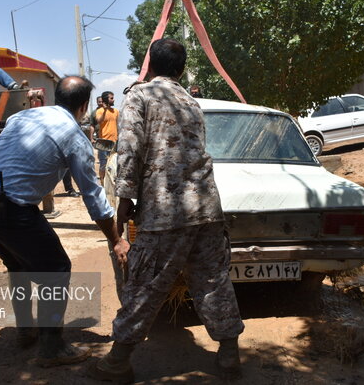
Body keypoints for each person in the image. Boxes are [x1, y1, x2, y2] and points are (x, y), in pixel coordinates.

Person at [86, 39, 245, 382]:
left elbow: (129, 149)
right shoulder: (191, 101)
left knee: (144, 285)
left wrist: (125, 201)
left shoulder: (140, 95)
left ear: (151, 65)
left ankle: (117, 362)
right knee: (213, 282)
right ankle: (230, 354)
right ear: (182, 70)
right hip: (206, 206)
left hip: (165, 210)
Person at [0, 75, 130, 368]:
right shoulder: (75, 136)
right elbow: (93, 197)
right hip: (9, 208)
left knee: (18, 264)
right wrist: (116, 240)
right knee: (57, 268)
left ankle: (26, 330)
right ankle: (51, 347)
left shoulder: (22, 116)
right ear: (84, 105)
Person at [93, 91, 119, 184]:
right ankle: (103, 183)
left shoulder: (116, 111)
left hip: (114, 141)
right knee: (103, 165)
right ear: (106, 99)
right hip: (104, 142)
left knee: (114, 164)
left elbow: (118, 124)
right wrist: (104, 110)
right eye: (111, 98)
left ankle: (111, 184)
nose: (113, 99)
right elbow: (99, 121)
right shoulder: (99, 111)